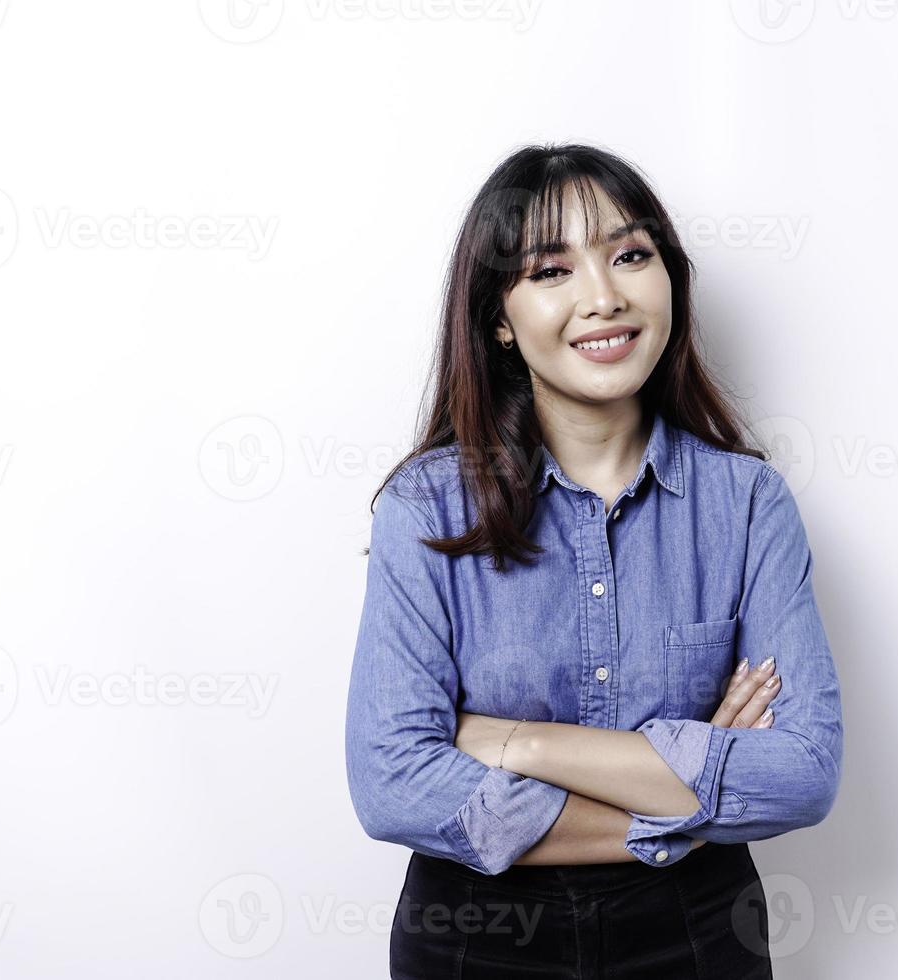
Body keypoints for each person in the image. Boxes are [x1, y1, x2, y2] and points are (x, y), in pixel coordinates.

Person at [344, 142, 843, 979]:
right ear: (499, 317)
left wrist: (517, 744)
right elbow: (392, 782)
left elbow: (802, 772)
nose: (603, 298)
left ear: (669, 281)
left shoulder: (748, 506)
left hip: (697, 931)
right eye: (551, 271)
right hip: (476, 936)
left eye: (630, 255)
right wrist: (677, 801)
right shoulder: (425, 510)